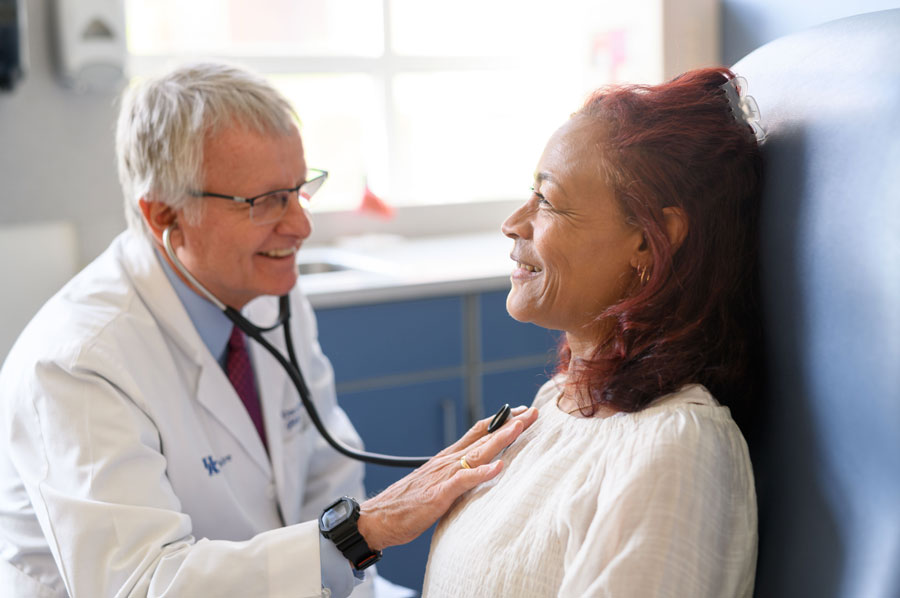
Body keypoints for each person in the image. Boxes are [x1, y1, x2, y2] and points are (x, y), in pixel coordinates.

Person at [0, 62, 537, 598]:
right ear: (165, 217)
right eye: (264, 202)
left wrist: (349, 555)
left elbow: (326, 473)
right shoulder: (78, 364)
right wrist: (363, 530)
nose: (301, 226)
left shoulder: (263, 294)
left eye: (299, 190)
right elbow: (141, 585)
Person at [422, 67, 763, 597]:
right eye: (529, 193)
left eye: (549, 201)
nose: (513, 223)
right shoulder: (557, 402)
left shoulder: (674, 452)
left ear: (652, 243)